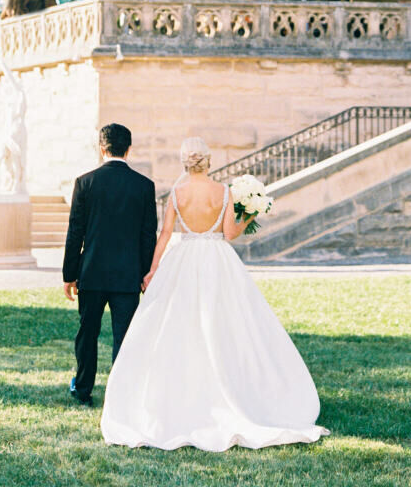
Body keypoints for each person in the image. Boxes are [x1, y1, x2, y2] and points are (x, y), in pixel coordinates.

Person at [100, 136, 328, 450]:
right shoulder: (223, 192)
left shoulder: (177, 194)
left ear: (185, 162)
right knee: (228, 321)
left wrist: (153, 270)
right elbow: (231, 233)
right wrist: (250, 213)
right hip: (217, 260)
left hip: (183, 259)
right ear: (208, 161)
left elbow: (165, 234)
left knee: (180, 325)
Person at [62, 123, 156, 407]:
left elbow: (75, 232)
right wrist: (145, 272)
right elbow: (146, 235)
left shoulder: (85, 182)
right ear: (128, 149)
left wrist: (69, 274)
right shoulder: (144, 186)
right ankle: (122, 392)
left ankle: (82, 388)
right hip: (128, 275)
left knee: (87, 332)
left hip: (91, 272)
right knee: (125, 336)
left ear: (101, 148)